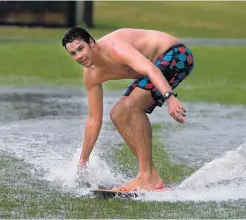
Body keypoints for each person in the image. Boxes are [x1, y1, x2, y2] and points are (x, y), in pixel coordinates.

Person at [62, 27, 195, 191]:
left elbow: (150, 69)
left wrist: (170, 98)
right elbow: (93, 119)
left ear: (91, 43)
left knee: (132, 106)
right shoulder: (91, 75)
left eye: (81, 48)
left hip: (177, 55)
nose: (79, 56)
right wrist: (83, 161)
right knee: (117, 114)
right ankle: (152, 177)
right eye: (73, 54)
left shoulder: (114, 47)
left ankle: (145, 177)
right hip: (156, 67)